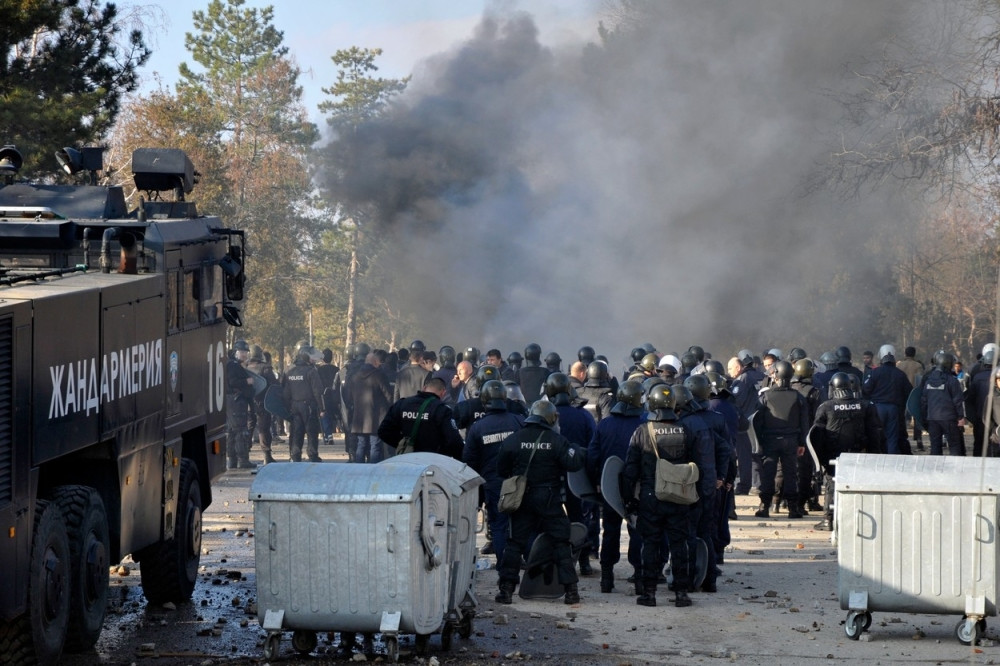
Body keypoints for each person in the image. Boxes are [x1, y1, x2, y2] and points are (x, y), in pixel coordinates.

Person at [622, 383, 715, 608]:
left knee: (651, 544)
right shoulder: (686, 430)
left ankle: (649, 594)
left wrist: (628, 499)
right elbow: (699, 466)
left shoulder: (642, 431)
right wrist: (698, 496)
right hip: (679, 497)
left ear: (652, 404)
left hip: (650, 497)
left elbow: (630, 470)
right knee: (679, 545)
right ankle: (681, 593)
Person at [495, 400, 584, 605]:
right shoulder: (556, 440)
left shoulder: (514, 439)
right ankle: (571, 592)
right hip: (549, 498)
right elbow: (573, 464)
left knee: (515, 544)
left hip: (521, 499)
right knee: (561, 543)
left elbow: (501, 469)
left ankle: (506, 590)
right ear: (551, 418)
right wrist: (576, 449)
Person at [587, 380, 645, 593]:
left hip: (610, 486)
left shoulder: (605, 425)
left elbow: (592, 457)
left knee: (610, 530)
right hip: (637, 487)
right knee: (637, 530)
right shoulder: (644, 424)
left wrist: (596, 481)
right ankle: (639, 578)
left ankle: (606, 578)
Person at [463, 380, 525, 565]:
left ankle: (504, 565)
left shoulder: (477, 427)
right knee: (522, 523)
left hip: (493, 484)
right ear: (504, 398)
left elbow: (469, 461)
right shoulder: (519, 421)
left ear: (484, 400)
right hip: (519, 483)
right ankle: (524, 561)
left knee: (498, 526)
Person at [811, 372, 883, 530]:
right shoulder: (866, 405)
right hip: (859, 455)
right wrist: (874, 456)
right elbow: (875, 433)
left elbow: (817, 436)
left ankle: (828, 520)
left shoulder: (825, 407)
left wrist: (821, 461)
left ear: (833, 387)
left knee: (831, 484)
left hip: (834, 457)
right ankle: (858, 519)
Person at [544, 372, 598, 575]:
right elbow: (593, 447)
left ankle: (552, 562)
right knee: (579, 520)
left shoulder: (544, 415)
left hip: (550, 477)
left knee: (550, 520)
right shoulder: (583, 416)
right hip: (577, 477)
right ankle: (584, 562)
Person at [753, 361, 809, 519]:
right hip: (791, 440)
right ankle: (793, 508)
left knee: (768, 473)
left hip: (770, 440)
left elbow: (757, 421)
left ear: (776, 375)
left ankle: (764, 506)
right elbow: (804, 423)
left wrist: (759, 442)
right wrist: (802, 443)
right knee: (791, 474)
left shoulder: (765, 396)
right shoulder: (798, 397)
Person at [378, 377, 465, 459]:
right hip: (431, 460)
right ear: (443, 393)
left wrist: (403, 443)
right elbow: (454, 441)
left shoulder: (402, 404)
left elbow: (383, 431)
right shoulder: (442, 410)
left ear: (424, 388)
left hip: (406, 459)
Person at [861, 344, 912, 455]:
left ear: (881, 358)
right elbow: (909, 392)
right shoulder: (900, 374)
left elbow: (865, 389)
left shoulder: (874, 372)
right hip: (894, 409)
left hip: (877, 409)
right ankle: (891, 461)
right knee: (892, 438)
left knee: (876, 437)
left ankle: (877, 459)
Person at [283, 343, 326, 463]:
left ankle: (295, 454)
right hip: (309, 406)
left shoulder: (290, 372)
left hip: (295, 406)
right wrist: (322, 408)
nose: (313, 359)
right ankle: (312, 455)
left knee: (297, 431)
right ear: (306, 356)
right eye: (311, 356)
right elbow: (318, 391)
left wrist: (287, 408)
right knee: (312, 431)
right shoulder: (311, 371)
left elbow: (286, 393)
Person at [347, 352, 393, 463]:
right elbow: (388, 395)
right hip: (376, 416)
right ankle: (373, 468)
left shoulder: (354, 376)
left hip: (359, 417)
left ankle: (359, 468)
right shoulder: (379, 375)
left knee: (361, 444)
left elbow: (348, 397)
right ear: (375, 362)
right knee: (375, 445)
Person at [730, 349, 764, 495]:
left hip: (745, 423)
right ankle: (760, 484)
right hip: (760, 420)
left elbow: (736, 402)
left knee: (744, 455)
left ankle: (744, 486)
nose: (729, 371)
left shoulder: (742, 379)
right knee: (758, 453)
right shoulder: (761, 375)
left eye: (730, 368)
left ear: (739, 367)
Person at [919, 350, 966, 456]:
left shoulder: (928, 380)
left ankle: (936, 467)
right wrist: (960, 417)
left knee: (935, 447)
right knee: (954, 447)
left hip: (932, 419)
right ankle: (955, 466)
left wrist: (924, 418)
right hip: (949, 419)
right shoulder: (952, 381)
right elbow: (958, 401)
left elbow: (923, 401)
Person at [247, 344, 279, 464]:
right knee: (264, 429)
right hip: (262, 402)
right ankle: (267, 455)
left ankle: (244, 455)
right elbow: (274, 384)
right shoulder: (265, 368)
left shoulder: (245, 367)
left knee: (248, 428)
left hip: (248, 403)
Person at [226, 340, 256, 469]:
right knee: (240, 432)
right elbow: (232, 382)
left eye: (246, 352)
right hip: (236, 402)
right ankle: (243, 460)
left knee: (232, 432)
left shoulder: (232, 364)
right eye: (242, 351)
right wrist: (247, 381)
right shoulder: (233, 365)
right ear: (235, 352)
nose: (244, 354)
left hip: (232, 401)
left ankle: (232, 461)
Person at [896, 346, 925, 451]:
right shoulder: (918, 365)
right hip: (914, 394)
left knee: (902, 418)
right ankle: (919, 440)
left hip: (901, 395)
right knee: (917, 418)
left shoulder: (899, 365)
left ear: (905, 353)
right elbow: (920, 381)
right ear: (914, 354)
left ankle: (903, 440)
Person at [316, 348, 339, 444]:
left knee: (324, 414)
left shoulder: (319, 370)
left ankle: (328, 435)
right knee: (334, 415)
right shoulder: (336, 369)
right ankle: (331, 433)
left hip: (323, 396)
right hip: (335, 395)